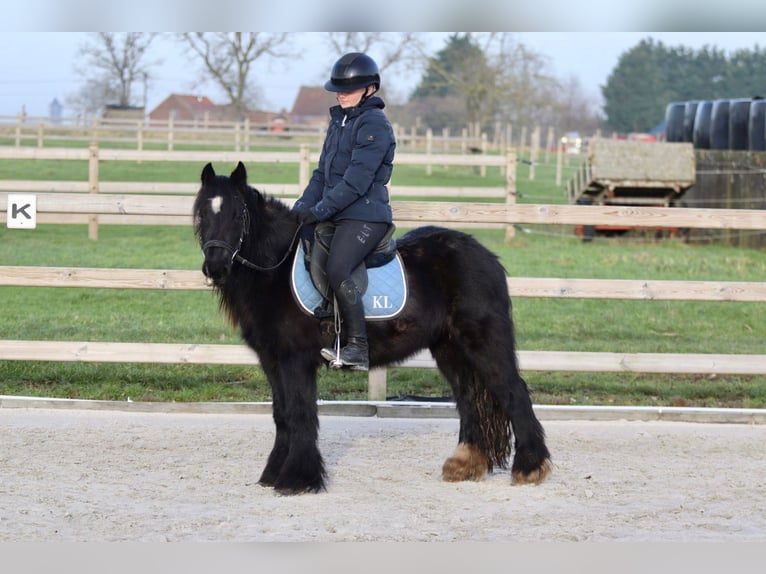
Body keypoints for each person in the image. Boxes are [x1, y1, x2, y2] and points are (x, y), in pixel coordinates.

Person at [292, 52, 395, 371]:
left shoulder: (374, 124)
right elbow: (322, 174)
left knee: (338, 267)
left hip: (365, 215)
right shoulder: (339, 122)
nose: (341, 93)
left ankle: (358, 349)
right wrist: (301, 209)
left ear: (370, 90)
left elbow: (356, 181)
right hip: (337, 212)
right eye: (338, 88)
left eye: (349, 89)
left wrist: (320, 210)